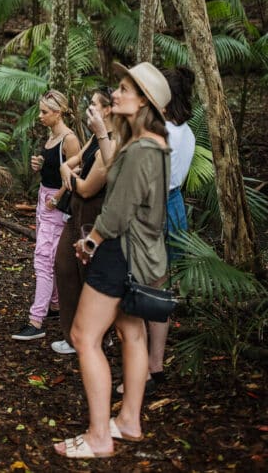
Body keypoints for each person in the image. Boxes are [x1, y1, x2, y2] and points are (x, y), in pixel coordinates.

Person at [54, 62, 171, 459]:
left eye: (124, 89)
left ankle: (99, 435)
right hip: (142, 253)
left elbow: (118, 209)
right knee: (131, 332)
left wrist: (91, 241)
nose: (116, 94)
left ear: (143, 102)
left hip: (119, 251)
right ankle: (129, 421)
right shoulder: (152, 144)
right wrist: (104, 135)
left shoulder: (141, 149)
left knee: (84, 336)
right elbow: (119, 177)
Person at [114, 66, 196, 397]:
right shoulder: (186, 132)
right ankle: (155, 364)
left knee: (138, 290)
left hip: (153, 209)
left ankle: (141, 372)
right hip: (175, 206)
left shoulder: (161, 135)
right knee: (159, 291)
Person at [12, 90, 80, 341]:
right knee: (47, 257)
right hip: (44, 199)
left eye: (44, 112)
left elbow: (77, 170)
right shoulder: (52, 136)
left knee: (43, 259)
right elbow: (55, 167)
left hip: (56, 204)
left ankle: (35, 320)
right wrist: (40, 164)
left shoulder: (69, 138)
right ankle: (54, 305)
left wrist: (58, 196)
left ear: (58, 112)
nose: (40, 116)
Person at [51, 88, 115, 355]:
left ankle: (99, 335)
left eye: (94, 104)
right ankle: (73, 335)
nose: (89, 107)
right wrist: (67, 169)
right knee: (64, 266)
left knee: (88, 274)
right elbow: (71, 163)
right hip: (75, 211)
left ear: (108, 109)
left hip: (93, 215)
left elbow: (88, 187)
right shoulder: (93, 138)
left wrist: (71, 177)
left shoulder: (111, 143)